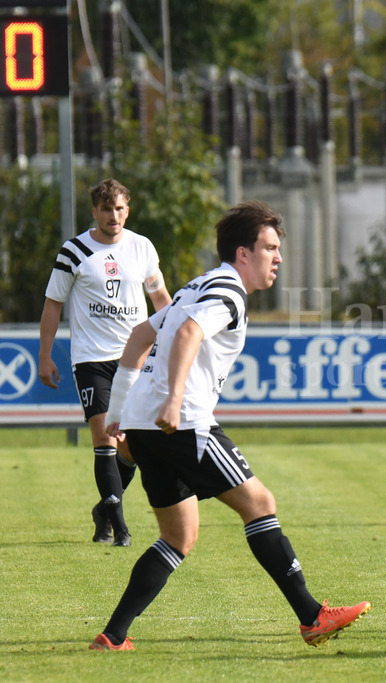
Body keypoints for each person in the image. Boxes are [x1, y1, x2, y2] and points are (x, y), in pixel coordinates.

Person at [88, 201, 369, 651]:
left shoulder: (194, 286)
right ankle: (312, 616)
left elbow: (141, 336)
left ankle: (113, 635)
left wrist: (121, 415)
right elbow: (186, 336)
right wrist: (175, 401)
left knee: (178, 535)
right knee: (259, 502)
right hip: (180, 423)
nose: (278, 257)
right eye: (269, 248)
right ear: (243, 253)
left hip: (143, 423)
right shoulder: (228, 292)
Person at [39, 179, 171, 547]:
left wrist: (178, 334)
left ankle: (105, 510)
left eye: (120, 208)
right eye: (106, 209)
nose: (114, 216)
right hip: (92, 359)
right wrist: (45, 356)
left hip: (136, 359)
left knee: (131, 448)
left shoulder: (142, 247)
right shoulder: (74, 251)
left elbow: (160, 296)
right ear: (94, 212)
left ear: (127, 209)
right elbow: (53, 303)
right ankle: (121, 529)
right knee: (105, 438)